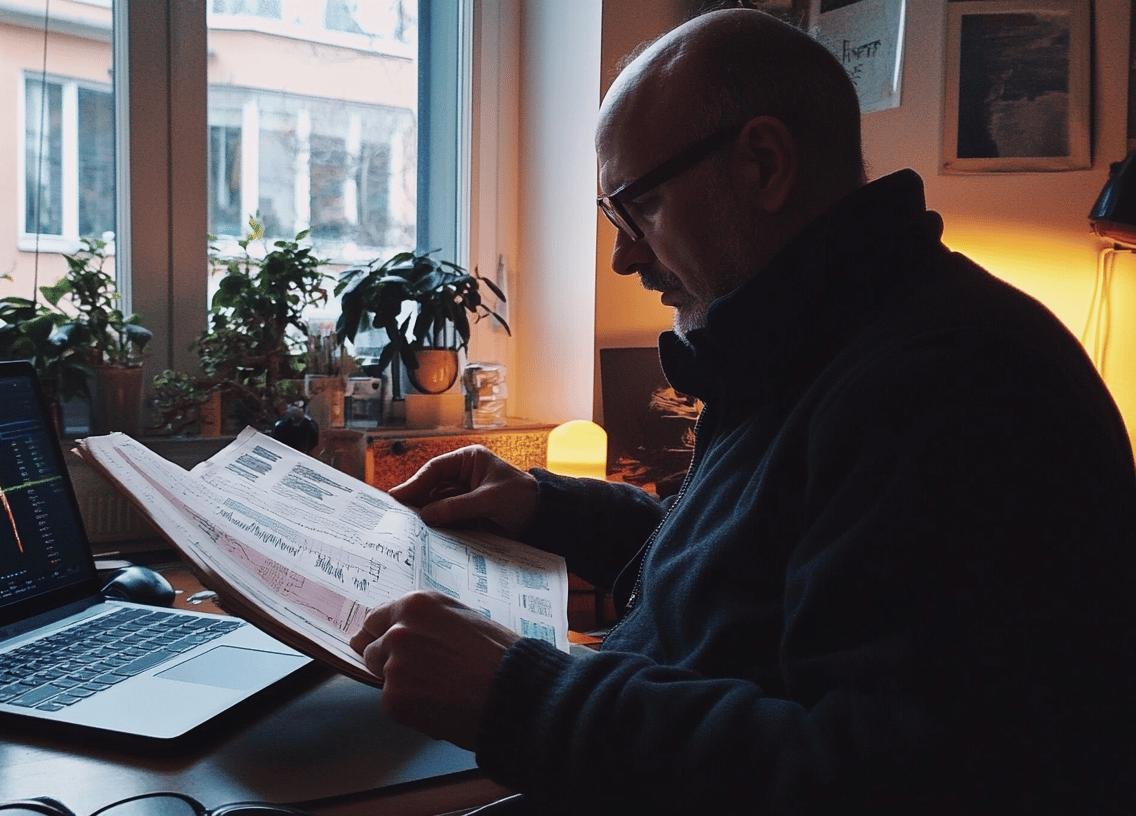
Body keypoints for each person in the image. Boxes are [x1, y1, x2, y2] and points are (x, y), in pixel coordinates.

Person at [348, 8, 1136, 813]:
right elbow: (745, 578)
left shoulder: (958, 388)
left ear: (763, 163)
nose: (623, 254)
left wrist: (524, 695)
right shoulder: (815, 337)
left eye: (636, 208)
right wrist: (544, 505)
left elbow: (892, 779)